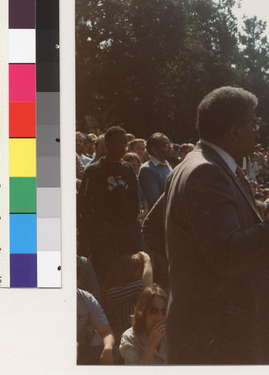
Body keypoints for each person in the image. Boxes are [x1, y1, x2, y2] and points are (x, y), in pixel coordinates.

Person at [164, 86, 269, 364]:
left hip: (211, 331)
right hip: (218, 338)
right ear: (235, 131)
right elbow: (229, 254)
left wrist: (189, 279)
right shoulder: (206, 172)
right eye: (253, 123)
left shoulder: (192, 165)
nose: (257, 130)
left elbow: (155, 231)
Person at [78, 126, 141, 282]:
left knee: (125, 276)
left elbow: (134, 200)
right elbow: (83, 206)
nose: (123, 147)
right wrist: (94, 233)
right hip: (104, 236)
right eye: (118, 143)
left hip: (125, 234)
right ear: (108, 143)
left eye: (125, 143)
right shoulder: (94, 171)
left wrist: (131, 225)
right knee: (104, 277)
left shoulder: (127, 169)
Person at [119, 284, 167, 364]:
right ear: (143, 312)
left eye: (163, 311)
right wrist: (151, 345)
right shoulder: (129, 338)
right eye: (154, 311)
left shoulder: (169, 335)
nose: (159, 316)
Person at [139, 133, 173, 210]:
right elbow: (155, 202)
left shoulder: (167, 165)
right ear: (154, 150)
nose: (170, 147)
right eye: (166, 145)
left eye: (169, 144)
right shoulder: (147, 169)